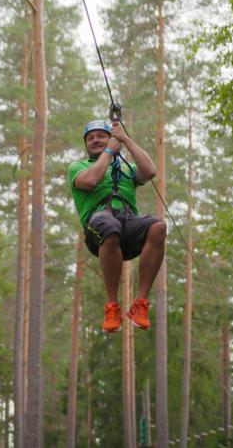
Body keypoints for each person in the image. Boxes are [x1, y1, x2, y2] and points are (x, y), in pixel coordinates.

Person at [67, 119, 166, 332]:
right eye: (90, 138)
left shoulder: (126, 168)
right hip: (99, 224)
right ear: (86, 145)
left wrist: (125, 139)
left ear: (109, 137)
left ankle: (140, 305)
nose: (95, 141)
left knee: (158, 226)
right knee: (109, 226)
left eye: (100, 136)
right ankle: (112, 306)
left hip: (128, 223)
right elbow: (92, 180)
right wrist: (110, 151)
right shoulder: (78, 167)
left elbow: (149, 171)